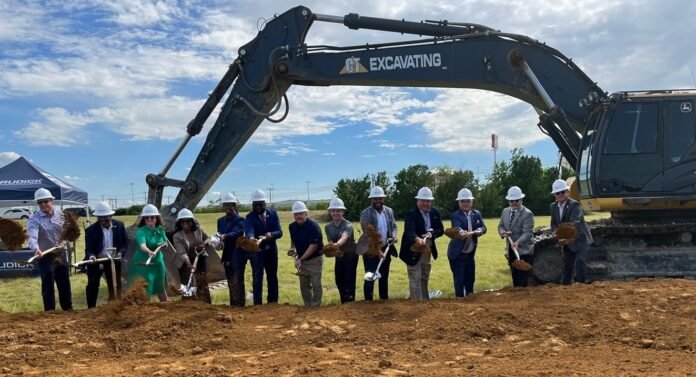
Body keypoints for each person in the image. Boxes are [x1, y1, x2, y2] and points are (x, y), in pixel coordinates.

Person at [27, 188, 72, 311]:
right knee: (48, 284)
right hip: (45, 256)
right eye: (40, 202)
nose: (43, 204)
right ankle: (49, 312)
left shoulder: (62, 215)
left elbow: (67, 232)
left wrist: (64, 241)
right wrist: (36, 248)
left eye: (45, 201)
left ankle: (68, 309)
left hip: (61, 253)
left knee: (64, 282)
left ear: (52, 201)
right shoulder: (34, 219)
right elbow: (32, 237)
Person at [400, 187, 444, 300]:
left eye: (428, 201)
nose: (425, 203)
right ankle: (416, 305)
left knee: (424, 276)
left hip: (427, 249)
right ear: (417, 201)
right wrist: (417, 239)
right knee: (415, 278)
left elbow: (440, 229)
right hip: (413, 249)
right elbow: (410, 231)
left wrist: (431, 234)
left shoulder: (435, 212)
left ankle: (424, 302)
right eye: (423, 201)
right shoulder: (411, 214)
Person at [84, 201, 129, 308]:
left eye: (105, 217)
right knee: (93, 283)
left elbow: (125, 242)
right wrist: (91, 256)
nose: (103, 219)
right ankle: (91, 308)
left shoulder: (119, 225)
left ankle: (115, 306)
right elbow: (89, 248)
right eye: (100, 217)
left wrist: (120, 253)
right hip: (97, 259)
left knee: (115, 284)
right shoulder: (91, 230)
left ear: (110, 215)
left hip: (113, 259)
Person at [357, 186, 398, 301]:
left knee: (384, 276)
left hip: (386, 248)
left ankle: (383, 300)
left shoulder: (389, 211)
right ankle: (368, 302)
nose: (378, 201)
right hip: (370, 250)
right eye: (375, 199)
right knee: (370, 277)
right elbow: (368, 235)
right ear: (372, 200)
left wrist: (393, 236)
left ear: (383, 199)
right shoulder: (365, 213)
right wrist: (378, 252)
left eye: (380, 198)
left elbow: (394, 226)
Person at [550, 179, 593, 284]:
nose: (560, 194)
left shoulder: (575, 205)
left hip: (580, 238)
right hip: (566, 241)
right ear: (554, 194)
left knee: (580, 262)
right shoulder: (553, 207)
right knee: (567, 265)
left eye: (562, 192)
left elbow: (574, 223)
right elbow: (554, 223)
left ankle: (580, 285)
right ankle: (565, 286)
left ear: (568, 192)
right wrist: (555, 232)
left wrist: (562, 235)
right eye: (557, 193)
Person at [245, 189, 283, 304]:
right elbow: (249, 229)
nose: (257, 207)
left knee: (272, 277)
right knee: (257, 278)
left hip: (271, 251)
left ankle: (273, 302)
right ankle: (258, 304)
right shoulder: (250, 217)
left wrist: (271, 235)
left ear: (265, 204)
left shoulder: (273, 214)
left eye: (259, 204)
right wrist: (251, 238)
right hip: (257, 252)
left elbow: (280, 232)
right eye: (254, 204)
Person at [447, 188, 487, 297]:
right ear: (459, 203)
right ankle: (459, 303)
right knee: (459, 281)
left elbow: (483, 227)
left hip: (470, 255)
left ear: (472, 202)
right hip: (458, 255)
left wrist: (479, 231)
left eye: (467, 201)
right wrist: (461, 232)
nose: (465, 203)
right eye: (463, 201)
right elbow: (457, 226)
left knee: (470, 279)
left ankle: (470, 302)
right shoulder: (455, 215)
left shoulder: (476, 214)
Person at [128, 204, 168, 301]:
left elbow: (165, 242)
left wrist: (164, 244)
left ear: (156, 218)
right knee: (146, 286)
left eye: (152, 217)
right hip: (143, 264)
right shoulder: (141, 231)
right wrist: (149, 251)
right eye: (147, 217)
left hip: (158, 263)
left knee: (160, 285)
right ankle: (145, 309)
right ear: (144, 219)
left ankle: (166, 305)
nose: (149, 219)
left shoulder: (161, 229)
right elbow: (142, 245)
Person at [173, 208, 212, 303]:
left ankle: (205, 303)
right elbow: (181, 252)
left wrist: (204, 244)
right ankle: (188, 304)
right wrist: (189, 264)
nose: (185, 223)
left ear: (192, 221)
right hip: (184, 261)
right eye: (182, 221)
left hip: (199, 258)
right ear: (179, 223)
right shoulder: (177, 236)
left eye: (188, 220)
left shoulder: (198, 230)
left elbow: (208, 239)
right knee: (186, 283)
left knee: (202, 281)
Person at [497, 186, 534, 287]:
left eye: (516, 200)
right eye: (511, 201)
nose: (514, 203)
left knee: (523, 280)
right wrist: (503, 232)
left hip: (523, 251)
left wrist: (518, 242)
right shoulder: (505, 212)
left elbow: (527, 232)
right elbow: (500, 226)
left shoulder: (527, 214)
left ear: (521, 200)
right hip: (511, 250)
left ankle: (524, 301)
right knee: (515, 279)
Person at [289, 201, 324, 307]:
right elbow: (293, 240)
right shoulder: (292, 226)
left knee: (315, 283)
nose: (298, 216)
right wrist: (292, 249)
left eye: (301, 213)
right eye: (296, 214)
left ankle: (315, 305)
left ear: (306, 214)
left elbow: (313, 246)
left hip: (315, 259)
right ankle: (308, 305)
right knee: (304, 284)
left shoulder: (313, 226)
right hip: (301, 259)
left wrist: (301, 259)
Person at [324, 197, 358, 304]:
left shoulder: (348, 225)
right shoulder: (328, 227)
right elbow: (330, 240)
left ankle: (350, 302)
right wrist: (331, 247)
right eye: (333, 211)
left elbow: (344, 237)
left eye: (338, 211)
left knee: (349, 280)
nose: (335, 213)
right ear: (330, 212)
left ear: (343, 211)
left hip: (350, 256)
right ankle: (343, 302)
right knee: (339, 280)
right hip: (339, 256)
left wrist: (335, 245)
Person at [216, 193, 246, 306]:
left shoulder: (241, 220)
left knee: (238, 281)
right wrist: (217, 242)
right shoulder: (220, 221)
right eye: (226, 205)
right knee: (230, 282)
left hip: (238, 255)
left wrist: (225, 236)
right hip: (227, 255)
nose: (228, 207)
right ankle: (233, 304)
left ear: (235, 206)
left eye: (231, 205)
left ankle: (240, 305)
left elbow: (237, 232)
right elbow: (219, 236)